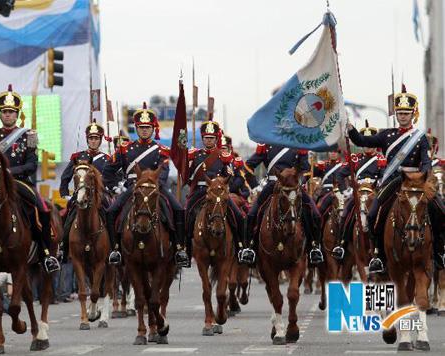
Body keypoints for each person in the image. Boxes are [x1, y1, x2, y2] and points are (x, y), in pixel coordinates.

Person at [347, 84, 445, 273]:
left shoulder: (420, 138)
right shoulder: (386, 135)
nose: (403, 116)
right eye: (400, 113)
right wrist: (350, 128)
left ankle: (439, 252)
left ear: (413, 114)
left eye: (406, 113)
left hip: (414, 182)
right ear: (396, 114)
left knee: (440, 209)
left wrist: (421, 176)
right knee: (373, 214)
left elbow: (425, 162)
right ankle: (379, 255)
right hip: (392, 181)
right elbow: (361, 141)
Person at [0, 84, 59, 281]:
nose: (8, 115)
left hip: (20, 182)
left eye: (11, 112)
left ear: (17, 114)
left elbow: (31, 164)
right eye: (4, 112)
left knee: (43, 210)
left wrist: (8, 172)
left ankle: (46, 254)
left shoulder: (27, 135)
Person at [104, 103, 189, 267]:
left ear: (153, 128)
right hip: (132, 188)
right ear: (136, 128)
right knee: (111, 211)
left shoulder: (161, 149)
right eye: (141, 127)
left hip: (155, 188)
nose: (144, 130)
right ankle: (115, 249)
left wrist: (154, 184)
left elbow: (163, 171)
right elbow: (108, 171)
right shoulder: (124, 149)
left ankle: (179, 248)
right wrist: (116, 186)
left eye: (148, 127)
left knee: (178, 209)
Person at [240, 144, 324, 265]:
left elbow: (306, 169)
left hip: (293, 186)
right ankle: (250, 248)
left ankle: (314, 248)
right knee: (252, 214)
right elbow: (248, 166)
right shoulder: (267, 145)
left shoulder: (297, 145)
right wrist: (255, 186)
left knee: (315, 214)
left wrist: (298, 181)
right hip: (272, 184)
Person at [185, 121, 248, 264]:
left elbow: (230, 177)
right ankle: (185, 250)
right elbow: (188, 178)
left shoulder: (224, 157)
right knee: (187, 214)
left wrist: (220, 187)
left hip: (219, 193)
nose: (209, 140)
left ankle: (241, 247)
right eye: (206, 137)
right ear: (202, 138)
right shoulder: (194, 155)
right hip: (201, 190)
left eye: (212, 138)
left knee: (238, 215)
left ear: (216, 139)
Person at [59, 121, 114, 263]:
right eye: (91, 138)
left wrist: (113, 188)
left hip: (100, 195)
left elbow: (113, 179)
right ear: (87, 139)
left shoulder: (107, 159)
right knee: (69, 216)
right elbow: (65, 178)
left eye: (96, 138)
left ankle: (114, 248)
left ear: (100, 140)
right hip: (81, 194)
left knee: (110, 213)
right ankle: (63, 248)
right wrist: (65, 194)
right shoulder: (77, 157)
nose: (93, 141)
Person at [335, 123, 386, 260]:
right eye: (365, 142)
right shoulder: (355, 159)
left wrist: (379, 185)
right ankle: (342, 243)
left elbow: (385, 176)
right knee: (346, 213)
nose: (368, 145)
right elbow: (340, 175)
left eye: (371, 142)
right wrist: (345, 191)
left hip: (374, 192)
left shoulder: (382, 160)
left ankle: (381, 246)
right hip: (358, 192)